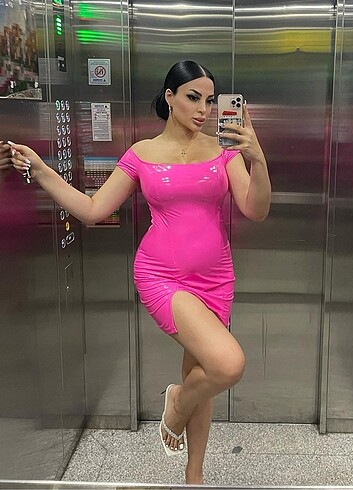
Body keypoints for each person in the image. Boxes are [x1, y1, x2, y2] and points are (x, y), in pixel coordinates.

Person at [10, 59, 271, 484]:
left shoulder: (224, 151)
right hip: (162, 276)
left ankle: (194, 476)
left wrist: (257, 159)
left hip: (216, 278)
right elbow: (93, 209)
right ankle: (177, 403)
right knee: (227, 364)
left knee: (200, 371)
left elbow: (255, 210)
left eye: (209, 100)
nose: (203, 109)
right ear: (170, 97)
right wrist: (41, 171)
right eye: (193, 98)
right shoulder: (141, 154)